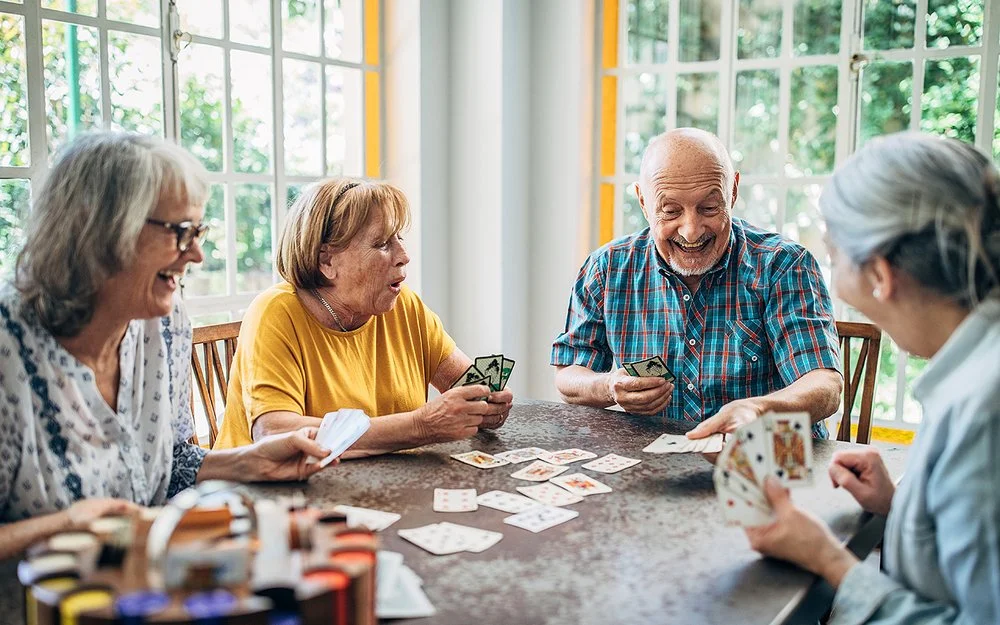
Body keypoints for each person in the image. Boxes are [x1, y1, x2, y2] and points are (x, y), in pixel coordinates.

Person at [0, 132, 337, 560]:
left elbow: (168, 462)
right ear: (98, 231)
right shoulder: (7, 348)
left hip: (140, 587)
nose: (196, 254)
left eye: (199, 231)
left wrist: (247, 461)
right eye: (181, 232)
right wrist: (64, 526)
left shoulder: (166, 323)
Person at [746, 132, 1000, 624]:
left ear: (880, 274)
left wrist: (829, 559)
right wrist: (902, 505)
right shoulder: (974, 369)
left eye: (835, 256)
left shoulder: (982, 408)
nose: (833, 275)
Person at [551, 128, 842, 438]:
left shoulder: (783, 265)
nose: (691, 231)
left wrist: (757, 410)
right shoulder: (606, 268)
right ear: (643, 202)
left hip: (767, 462)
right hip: (654, 467)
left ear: (732, 192)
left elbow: (825, 386)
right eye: (671, 210)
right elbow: (569, 373)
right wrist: (608, 386)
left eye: (708, 208)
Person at [212, 178, 513, 454]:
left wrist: (487, 405)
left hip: (376, 492)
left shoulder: (403, 304)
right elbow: (274, 431)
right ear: (326, 260)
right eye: (382, 243)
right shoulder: (275, 312)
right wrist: (420, 426)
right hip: (266, 500)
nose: (403, 255)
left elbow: (465, 384)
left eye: (399, 237)